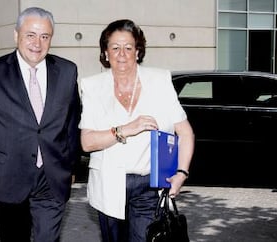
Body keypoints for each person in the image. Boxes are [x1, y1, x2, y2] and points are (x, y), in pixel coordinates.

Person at [0, 7, 81, 242]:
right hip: (8, 177)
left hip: (52, 177)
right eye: (30, 35)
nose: (37, 43)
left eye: (44, 36)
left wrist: (71, 167)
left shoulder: (67, 71)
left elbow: (72, 123)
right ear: (16, 35)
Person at [78, 19, 195, 242]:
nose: (122, 54)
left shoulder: (159, 81)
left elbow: (186, 133)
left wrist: (181, 173)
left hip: (148, 185)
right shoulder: (92, 86)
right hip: (108, 183)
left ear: (138, 51)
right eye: (115, 47)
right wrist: (125, 129)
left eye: (128, 47)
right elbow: (87, 142)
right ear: (105, 52)